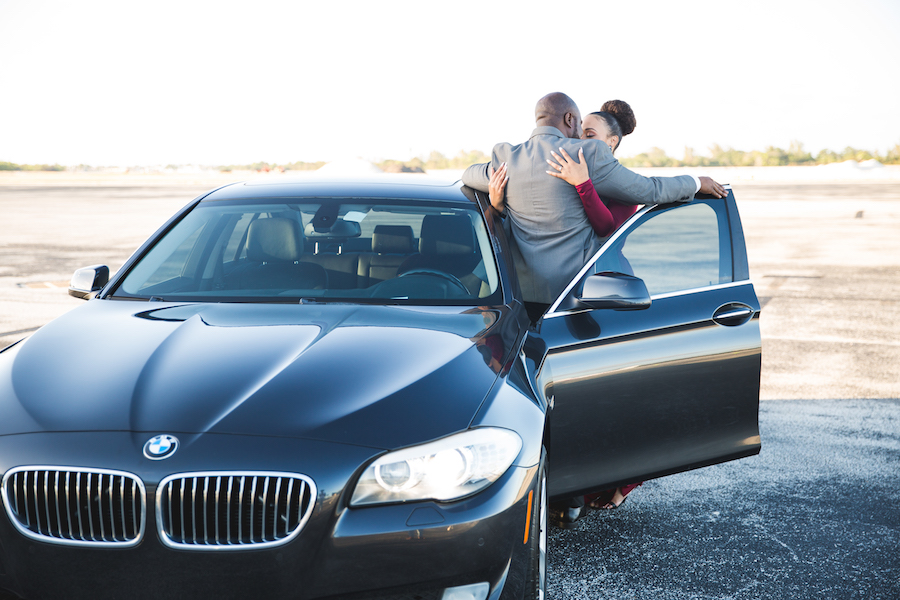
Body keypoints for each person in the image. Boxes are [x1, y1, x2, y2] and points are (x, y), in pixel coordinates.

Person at [463, 92, 725, 324]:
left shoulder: (507, 157)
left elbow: (468, 175)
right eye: (579, 126)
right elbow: (649, 190)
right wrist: (695, 182)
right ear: (569, 119)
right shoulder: (586, 154)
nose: (579, 135)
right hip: (573, 301)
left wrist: (497, 197)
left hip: (516, 299)